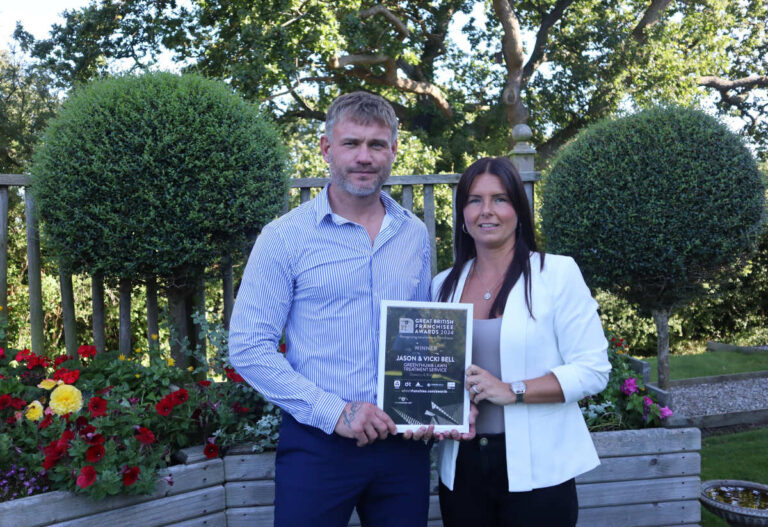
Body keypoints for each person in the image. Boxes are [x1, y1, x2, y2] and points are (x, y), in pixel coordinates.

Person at [228, 91, 434, 527]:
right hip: (318, 445)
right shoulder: (284, 237)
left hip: (403, 446)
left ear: (394, 151)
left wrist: (433, 402)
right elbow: (249, 347)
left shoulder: (414, 234)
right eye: (351, 143)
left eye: (377, 145)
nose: (365, 157)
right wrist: (335, 412)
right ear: (326, 148)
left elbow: (421, 334)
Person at [431, 156, 611, 526]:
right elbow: (433, 374)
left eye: (500, 199)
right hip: (460, 468)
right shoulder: (442, 286)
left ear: (519, 209)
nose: (487, 211)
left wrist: (512, 390)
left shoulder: (556, 274)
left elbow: (593, 371)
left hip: (540, 471)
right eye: (474, 200)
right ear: (463, 214)